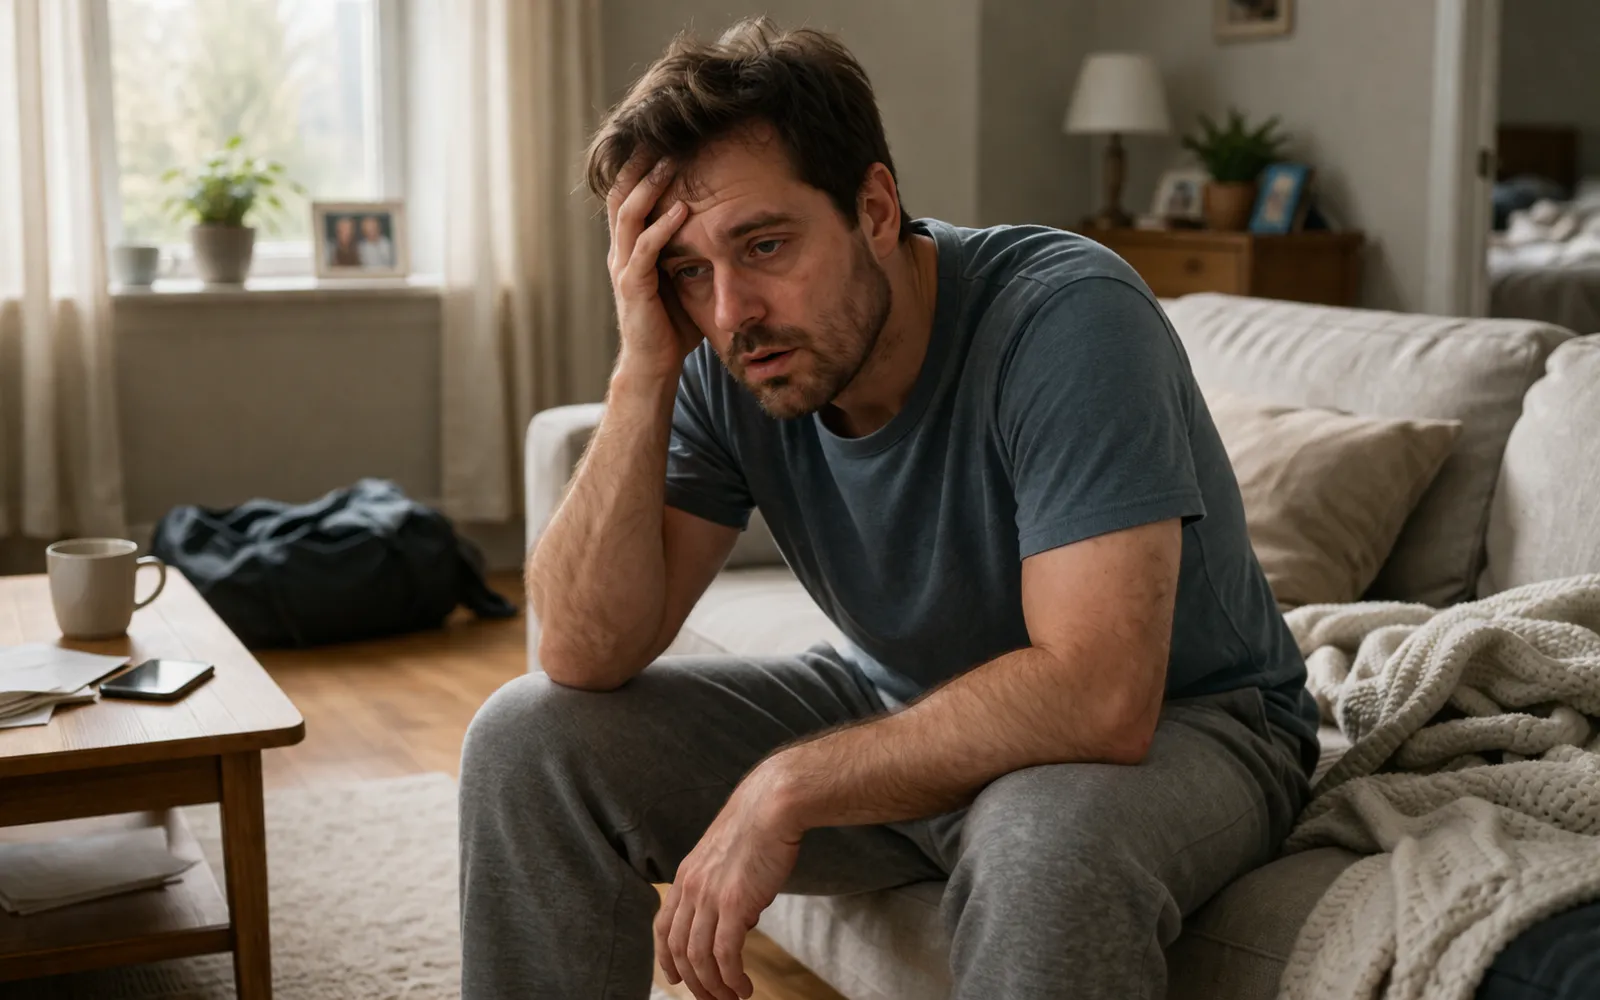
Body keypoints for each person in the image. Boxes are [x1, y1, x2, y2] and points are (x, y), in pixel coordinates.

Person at [459, 17, 1316, 1000]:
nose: (732, 310)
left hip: (1190, 725)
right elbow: (581, 652)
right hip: (895, 694)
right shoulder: (726, 357)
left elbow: (1101, 696)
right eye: (689, 271)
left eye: (764, 243)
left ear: (873, 207)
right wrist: (644, 363)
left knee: (1043, 843)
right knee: (526, 739)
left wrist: (789, 785)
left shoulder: (1066, 315)